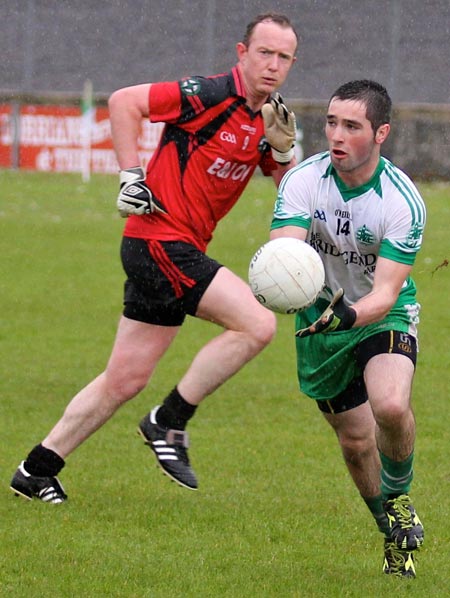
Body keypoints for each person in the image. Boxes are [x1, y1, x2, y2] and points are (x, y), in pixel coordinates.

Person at [10, 12, 298, 500]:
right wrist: (130, 175)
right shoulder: (209, 94)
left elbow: (287, 192)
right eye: (264, 52)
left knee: (124, 379)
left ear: (293, 62)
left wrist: (287, 152)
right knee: (257, 324)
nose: (272, 65)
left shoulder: (269, 116)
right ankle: (169, 422)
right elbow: (124, 102)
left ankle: (36, 469)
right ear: (241, 53)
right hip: (159, 241)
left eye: (283, 57)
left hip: (171, 249)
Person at [270, 80, 426, 578]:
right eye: (331, 122)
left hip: (381, 315)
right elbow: (286, 252)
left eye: (351, 126)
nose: (336, 134)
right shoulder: (303, 179)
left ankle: (400, 499)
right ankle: (392, 536)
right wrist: (280, 275)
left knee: (391, 405)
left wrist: (351, 316)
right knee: (357, 445)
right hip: (320, 326)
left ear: (381, 133)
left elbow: (383, 294)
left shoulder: (401, 202)